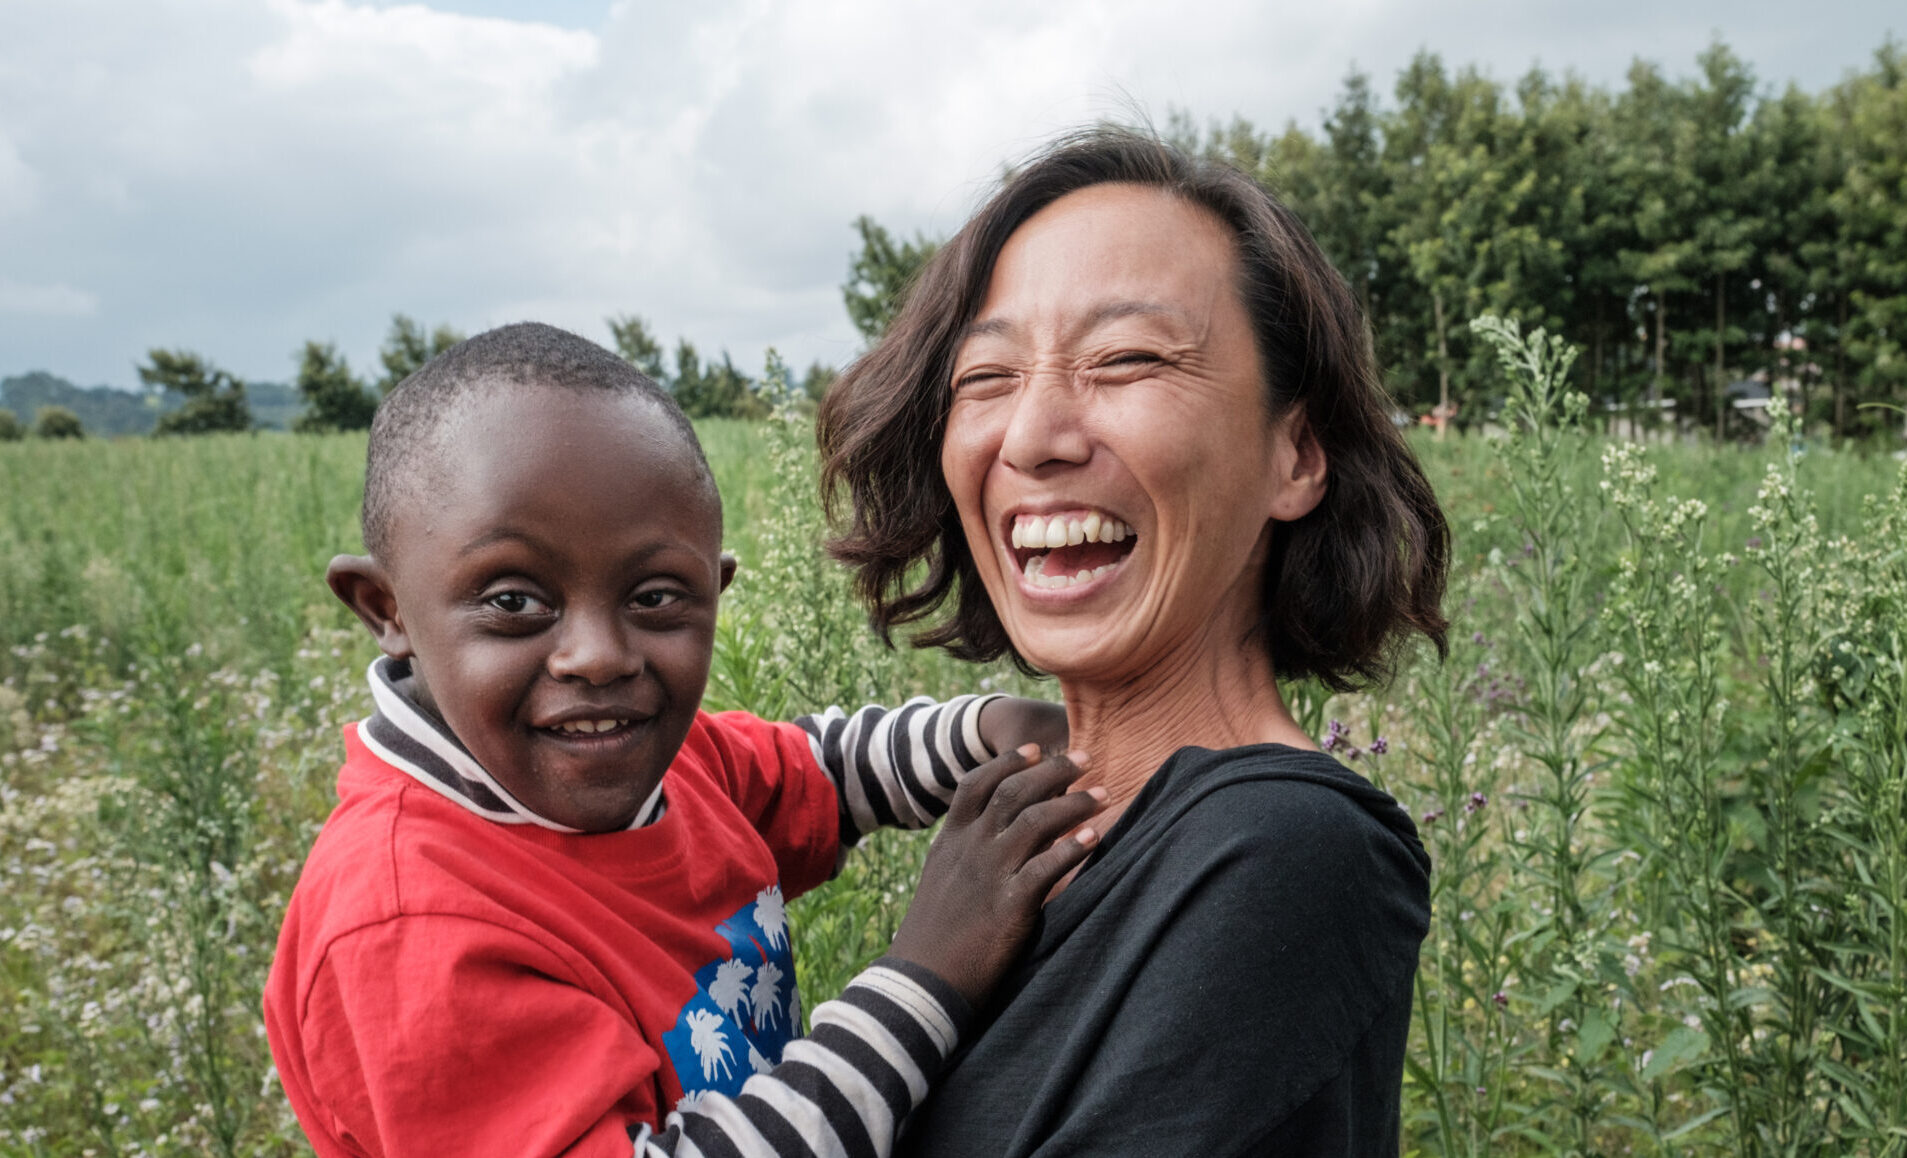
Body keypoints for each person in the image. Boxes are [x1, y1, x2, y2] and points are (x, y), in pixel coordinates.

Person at [263, 322, 1107, 1158]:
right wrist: (929, 973)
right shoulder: (409, 932)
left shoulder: (655, 763)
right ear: (388, 610)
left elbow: (824, 769)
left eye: (656, 596)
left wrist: (987, 729)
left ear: (716, 588)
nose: (597, 655)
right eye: (514, 601)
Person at [818, 129, 1449, 1156]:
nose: (1032, 436)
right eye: (985, 376)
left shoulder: (1283, 851)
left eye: (1124, 360)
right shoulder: (1024, 831)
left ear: (1293, 453)